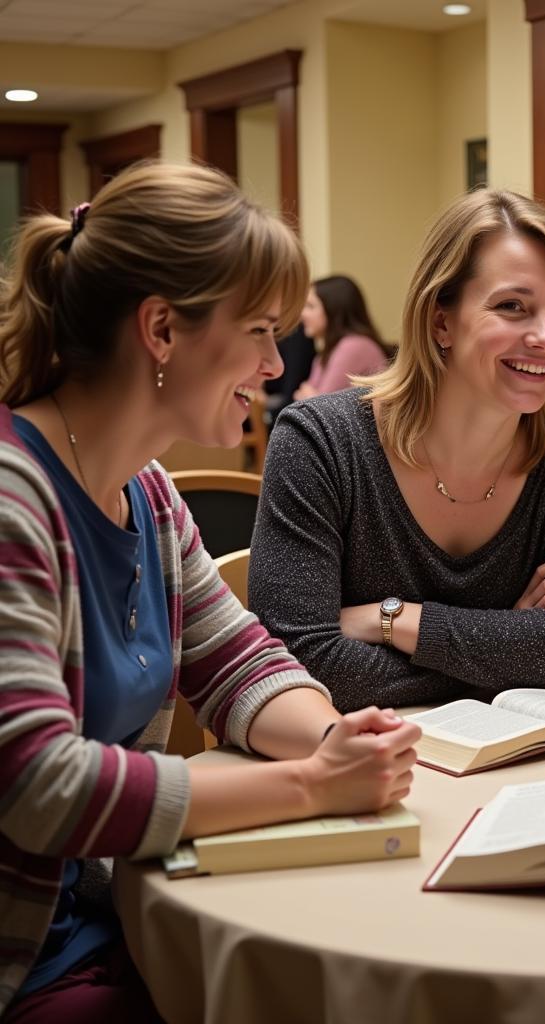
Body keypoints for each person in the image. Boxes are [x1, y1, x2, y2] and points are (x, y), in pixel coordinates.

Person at [0, 163, 420, 1020]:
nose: (274, 362)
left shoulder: (148, 494)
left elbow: (238, 661)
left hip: (101, 919)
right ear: (160, 329)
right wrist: (313, 787)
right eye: (260, 331)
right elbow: (38, 788)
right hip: (29, 963)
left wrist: (338, 739)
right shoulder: (13, 499)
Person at [249, 189, 545, 712]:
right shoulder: (321, 442)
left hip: (500, 769)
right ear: (439, 320)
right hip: (347, 766)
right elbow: (296, 661)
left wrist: (389, 619)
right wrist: (509, 645)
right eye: (512, 306)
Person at [293, 275, 390, 399]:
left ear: (333, 310)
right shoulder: (329, 350)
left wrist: (309, 396)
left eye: (310, 306)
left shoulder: (354, 345)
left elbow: (319, 407)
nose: (302, 314)